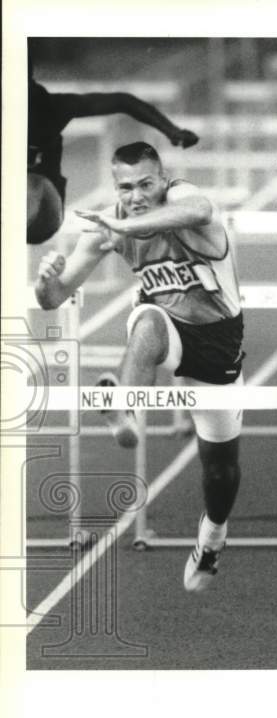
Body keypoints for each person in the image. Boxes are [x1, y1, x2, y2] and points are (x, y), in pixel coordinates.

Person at [35, 142, 244, 592]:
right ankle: (126, 409)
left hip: (218, 343)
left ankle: (213, 536)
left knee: (220, 470)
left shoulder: (183, 202)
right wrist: (45, 282)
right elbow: (55, 299)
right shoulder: (110, 224)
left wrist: (125, 223)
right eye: (126, 187)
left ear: (163, 180)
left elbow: (201, 209)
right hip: (166, 329)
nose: (136, 195)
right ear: (116, 188)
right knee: (146, 318)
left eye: (146, 184)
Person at [28, 60, 199, 244]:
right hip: (27, 200)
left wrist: (171, 131)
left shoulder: (52, 107)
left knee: (29, 183)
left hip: (45, 212)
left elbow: (122, 101)